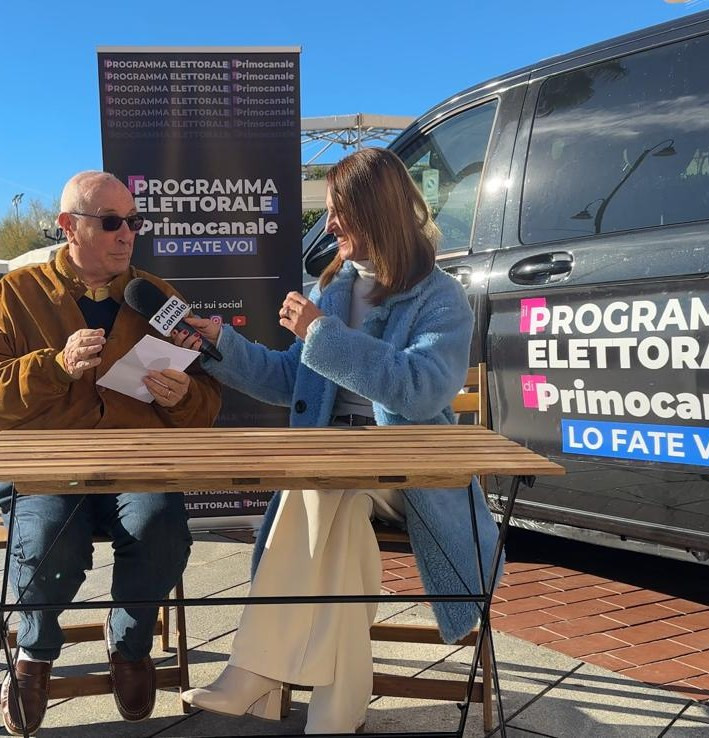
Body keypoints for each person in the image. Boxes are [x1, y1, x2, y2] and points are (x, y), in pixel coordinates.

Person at [178, 148, 494, 734]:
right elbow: (288, 381)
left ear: (378, 213)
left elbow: (419, 391)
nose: (328, 227)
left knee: (319, 490)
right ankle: (334, 713)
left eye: (338, 213)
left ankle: (255, 669)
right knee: (338, 510)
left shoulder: (439, 297)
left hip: (411, 474)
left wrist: (322, 334)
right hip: (338, 471)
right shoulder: (334, 290)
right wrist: (219, 343)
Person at [0, 170, 222, 735]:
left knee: (162, 528)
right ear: (68, 227)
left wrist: (182, 396)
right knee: (50, 541)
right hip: (48, 467)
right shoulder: (15, 295)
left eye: (134, 222)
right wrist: (52, 367)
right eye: (111, 222)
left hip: (136, 464)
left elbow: (205, 406)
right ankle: (35, 653)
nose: (127, 235)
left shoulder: (158, 298)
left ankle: (128, 644)